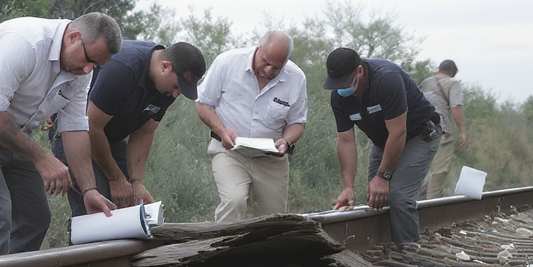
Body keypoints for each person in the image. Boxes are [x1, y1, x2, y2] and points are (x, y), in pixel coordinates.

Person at [0, 13, 121, 258]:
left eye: (96, 65)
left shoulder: (80, 72)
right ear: (74, 37)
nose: (89, 69)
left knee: (34, 217)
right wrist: (43, 159)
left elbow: (74, 127)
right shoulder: (25, 41)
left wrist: (89, 190)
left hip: (11, 130)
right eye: (88, 59)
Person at [50, 41, 207, 216]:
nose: (177, 94)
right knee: (99, 211)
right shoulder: (124, 68)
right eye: (177, 87)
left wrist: (136, 182)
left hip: (110, 138)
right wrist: (116, 178)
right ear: (165, 67)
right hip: (77, 133)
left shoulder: (167, 88)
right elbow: (91, 126)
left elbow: (145, 131)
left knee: (128, 208)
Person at [325, 47, 441, 243]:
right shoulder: (339, 98)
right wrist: (348, 187)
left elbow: (399, 132)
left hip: (419, 135)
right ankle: (383, 247)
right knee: (376, 198)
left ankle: (408, 251)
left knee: (399, 196)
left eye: (344, 82)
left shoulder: (387, 79)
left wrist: (383, 176)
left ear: (359, 71)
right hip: (384, 141)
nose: (340, 88)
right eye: (336, 84)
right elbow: (345, 141)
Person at [194, 31, 308, 221]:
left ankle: (261, 251)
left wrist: (286, 141)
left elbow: (297, 122)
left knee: (274, 219)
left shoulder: (296, 78)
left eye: (276, 67)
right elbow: (203, 103)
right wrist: (222, 130)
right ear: (258, 48)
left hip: (270, 160)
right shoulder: (227, 63)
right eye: (265, 61)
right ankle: (223, 248)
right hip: (229, 151)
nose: (269, 70)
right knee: (234, 201)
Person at [418, 60, 466, 198]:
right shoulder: (452, 83)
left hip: (420, 130)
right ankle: (431, 203)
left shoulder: (425, 82)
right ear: (452, 72)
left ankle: (417, 202)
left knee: (423, 168)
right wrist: (462, 131)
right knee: (440, 170)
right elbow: (455, 107)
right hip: (441, 129)